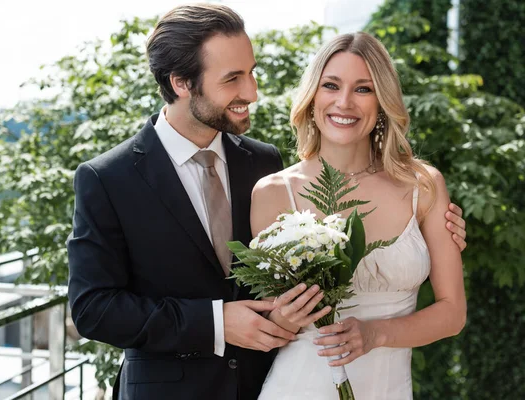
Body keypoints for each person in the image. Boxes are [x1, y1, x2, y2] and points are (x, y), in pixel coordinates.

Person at [66, 4, 467, 400]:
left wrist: (430, 239)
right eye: (233, 78)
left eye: (252, 73)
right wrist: (217, 323)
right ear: (182, 83)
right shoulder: (107, 178)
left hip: (267, 383)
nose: (253, 92)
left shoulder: (260, 162)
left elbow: (270, 289)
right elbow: (93, 309)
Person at [252, 32, 467, 399]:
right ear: (313, 96)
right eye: (331, 85)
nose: (344, 102)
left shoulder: (423, 186)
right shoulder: (273, 193)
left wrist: (375, 334)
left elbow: (453, 314)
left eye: (364, 89)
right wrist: (283, 319)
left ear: (383, 100)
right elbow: (272, 322)